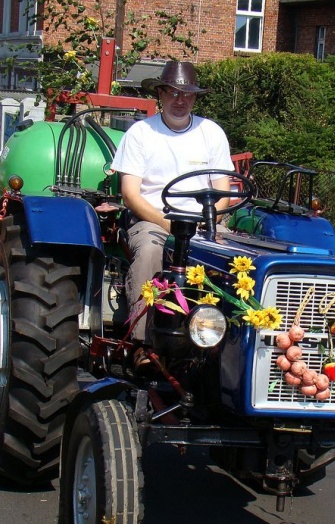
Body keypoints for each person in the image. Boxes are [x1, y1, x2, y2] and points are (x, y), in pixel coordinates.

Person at [110, 60, 233, 369]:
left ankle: (229, 344)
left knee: (236, 261)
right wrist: (168, 224)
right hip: (153, 219)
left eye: (187, 94)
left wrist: (210, 222)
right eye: (174, 93)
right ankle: (144, 342)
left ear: (195, 98)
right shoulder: (141, 133)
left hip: (204, 223)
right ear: (161, 94)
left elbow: (223, 191)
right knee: (151, 252)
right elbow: (130, 194)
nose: (180, 100)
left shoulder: (211, 133)